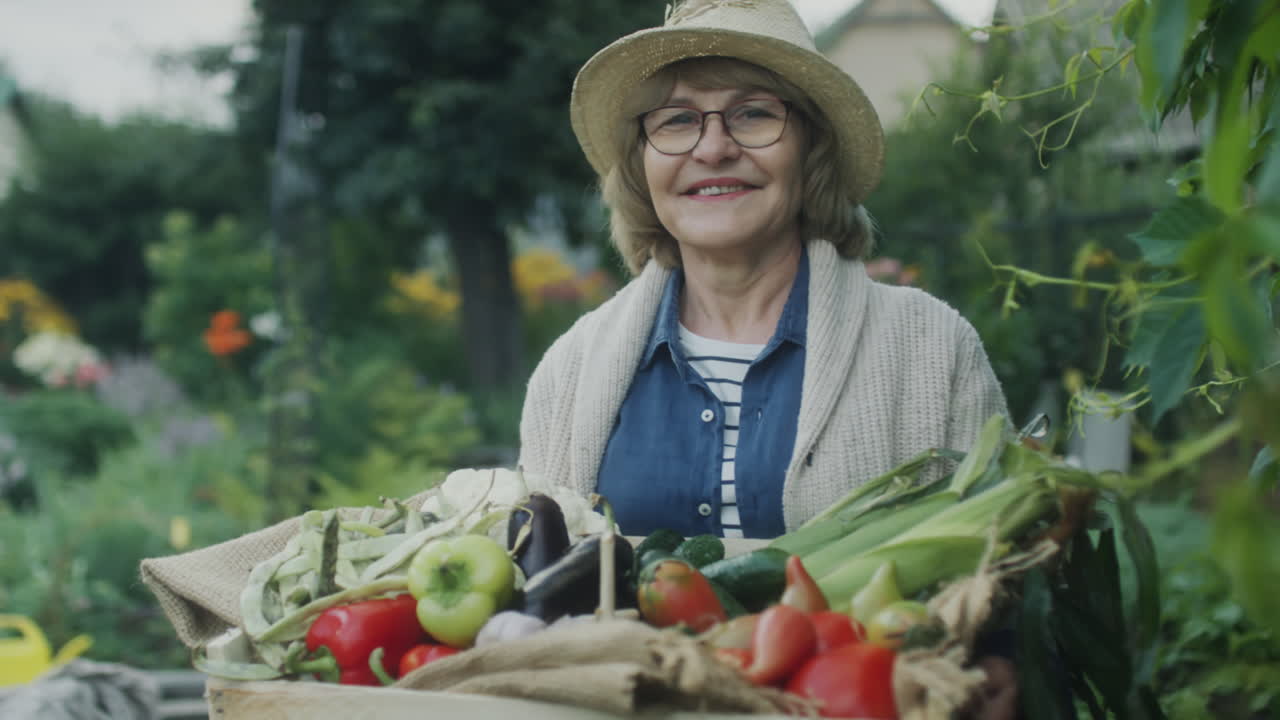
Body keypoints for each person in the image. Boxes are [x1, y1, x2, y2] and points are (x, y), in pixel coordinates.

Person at [518, 0, 1008, 540]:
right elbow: (534, 589)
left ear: (812, 151)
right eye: (677, 120)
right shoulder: (569, 370)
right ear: (641, 165)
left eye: (753, 113)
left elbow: (994, 578)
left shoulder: (934, 350)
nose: (713, 148)